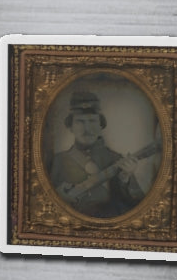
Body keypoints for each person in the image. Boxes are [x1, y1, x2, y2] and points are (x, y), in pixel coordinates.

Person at [48, 89, 149, 219]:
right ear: (70, 127)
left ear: (101, 125)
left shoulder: (117, 159)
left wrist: (126, 179)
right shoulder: (57, 161)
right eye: (80, 121)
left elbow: (137, 206)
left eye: (92, 121)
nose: (87, 129)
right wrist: (56, 198)